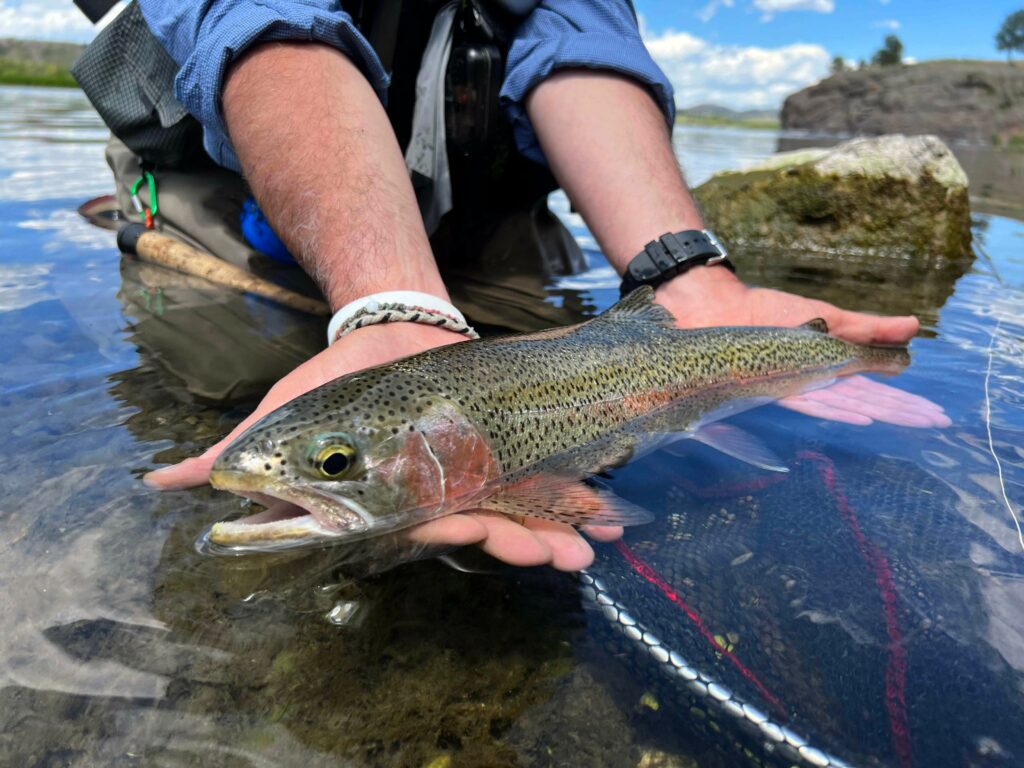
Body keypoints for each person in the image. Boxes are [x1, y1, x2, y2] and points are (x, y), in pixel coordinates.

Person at [137, 0, 948, 570]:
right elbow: (254, 23)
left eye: (336, 463)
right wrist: (391, 302)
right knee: (226, 372)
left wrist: (686, 275)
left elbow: (582, 44)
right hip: (254, 195)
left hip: (486, 220)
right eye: (337, 463)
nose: (332, 468)